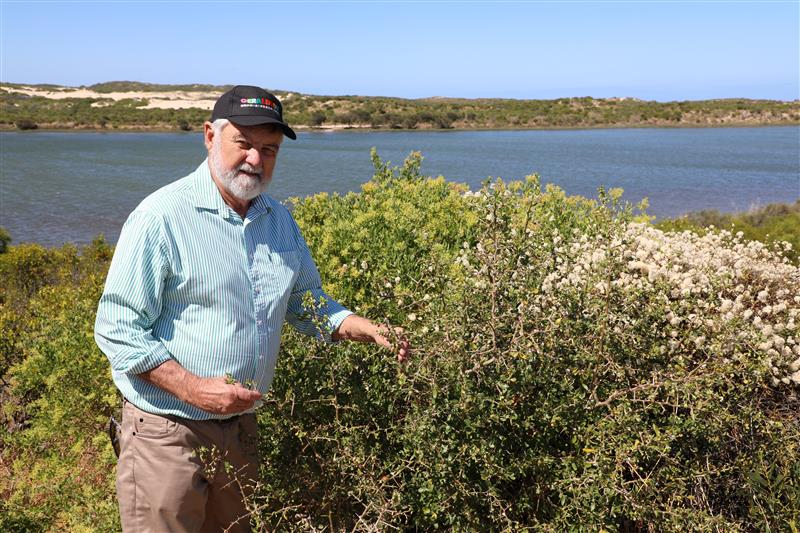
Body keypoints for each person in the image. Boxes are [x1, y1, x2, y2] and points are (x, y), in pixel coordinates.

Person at [94, 85, 409, 533]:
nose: (255, 160)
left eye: (269, 149)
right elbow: (117, 329)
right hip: (167, 433)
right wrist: (193, 388)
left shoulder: (278, 220)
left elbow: (304, 301)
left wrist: (362, 326)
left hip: (240, 432)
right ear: (209, 136)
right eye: (243, 144)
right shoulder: (160, 216)